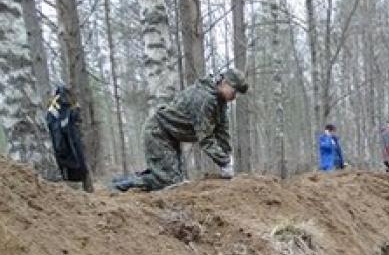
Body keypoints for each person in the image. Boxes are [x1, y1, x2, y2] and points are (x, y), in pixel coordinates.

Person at [114, 68, 247, 191]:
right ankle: (121, 185)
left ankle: (129, 181)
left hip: (171, 136)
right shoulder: (204, 98)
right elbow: (205, 138)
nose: (235, 96)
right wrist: (224, 162)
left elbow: (222, 132)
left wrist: (228, 157)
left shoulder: (220, 102)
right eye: (234, 91)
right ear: (224, 82)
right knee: (168, 183)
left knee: (174, 178)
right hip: (158, 132)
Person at [46, 85, 92, 192]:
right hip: (68, 158)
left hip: (72, 156)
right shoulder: (57, 111)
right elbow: (58, 135)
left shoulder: (67, 108)